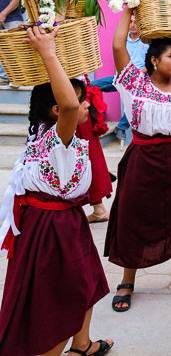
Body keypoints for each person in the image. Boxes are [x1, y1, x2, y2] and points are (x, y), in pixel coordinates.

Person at [0, 26, 113, 356]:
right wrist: (48, 53)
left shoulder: (44, 132)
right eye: (81, 101)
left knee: (87, 282)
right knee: (60, 298)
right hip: (53, 229)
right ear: (58, 110)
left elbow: (66, 101)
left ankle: (82, 345)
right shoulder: (57, 137)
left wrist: (54, 33)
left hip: (63, 221)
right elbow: (67, 106)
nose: (87, 105)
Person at [104, 7, 171, 312]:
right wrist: (128, 11)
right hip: (142, 159)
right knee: (134, 216)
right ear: (153, 60)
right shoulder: (135, 83)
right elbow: (118, 46)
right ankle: (127, 280)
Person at [92, 14, 149, 143]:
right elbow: (117, 60)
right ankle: (96, 120)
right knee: (92, 85)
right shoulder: (122, 40)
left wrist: (139, 74)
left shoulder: (146, 40)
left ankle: (121, 126)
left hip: (139, 79)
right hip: (122, 77)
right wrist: (119, 76)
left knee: (136, 100)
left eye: (135, 22)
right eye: (130, 22)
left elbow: (150, 64)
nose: (133, 25)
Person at [0, 0, 25, 86]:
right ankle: (4, 77)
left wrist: (3, 14)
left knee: (15, 49)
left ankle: (17, 79)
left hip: (13, 18)